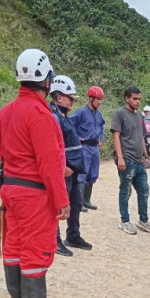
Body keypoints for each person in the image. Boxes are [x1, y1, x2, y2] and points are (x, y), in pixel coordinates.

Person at [0, 48, 69, 298]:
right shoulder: (40, 115)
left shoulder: (6, 111)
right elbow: (50, 163)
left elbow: (3, 153)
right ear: (47, 80)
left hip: (11, 190)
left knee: (13, 244)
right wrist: (62, 200)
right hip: (33, 193)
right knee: (36, 247)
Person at [49, 75, 92, 254]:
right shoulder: (54, 117)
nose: (73, 100)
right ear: (58, 96)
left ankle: (73, 235)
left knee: (75, 202)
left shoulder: (64, 115)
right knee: (59, 205)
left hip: (73, 170)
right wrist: (62, 167)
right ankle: (54, 240)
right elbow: (53, 147)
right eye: (70, 97)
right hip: (64, 170)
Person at [111, 85, 150, 235]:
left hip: (138, 162)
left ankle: (143, 221)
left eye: (139, 99)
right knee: (126, 191)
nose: (138, 102)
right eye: (135, 99)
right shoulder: (120, 114)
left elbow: (141, 137)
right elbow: (116, 136)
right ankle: (124, 221)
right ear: (127, 98)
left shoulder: (139, 116)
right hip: (127, 160)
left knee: (144, 191)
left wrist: (146, 156)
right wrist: (120, 158)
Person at [70, 85, 106, 211]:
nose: (100, 102)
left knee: (93, 173)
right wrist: (76, 138)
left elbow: (102, 126)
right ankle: (78, 202)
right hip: (84, 148)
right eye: (98, 99)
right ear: (90, 98)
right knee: (82, 174)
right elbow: (69, 124)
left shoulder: (98, 114)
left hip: (95, 147)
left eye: (101, 99)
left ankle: (86, 200)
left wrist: (101, 138)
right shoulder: (80, 112)